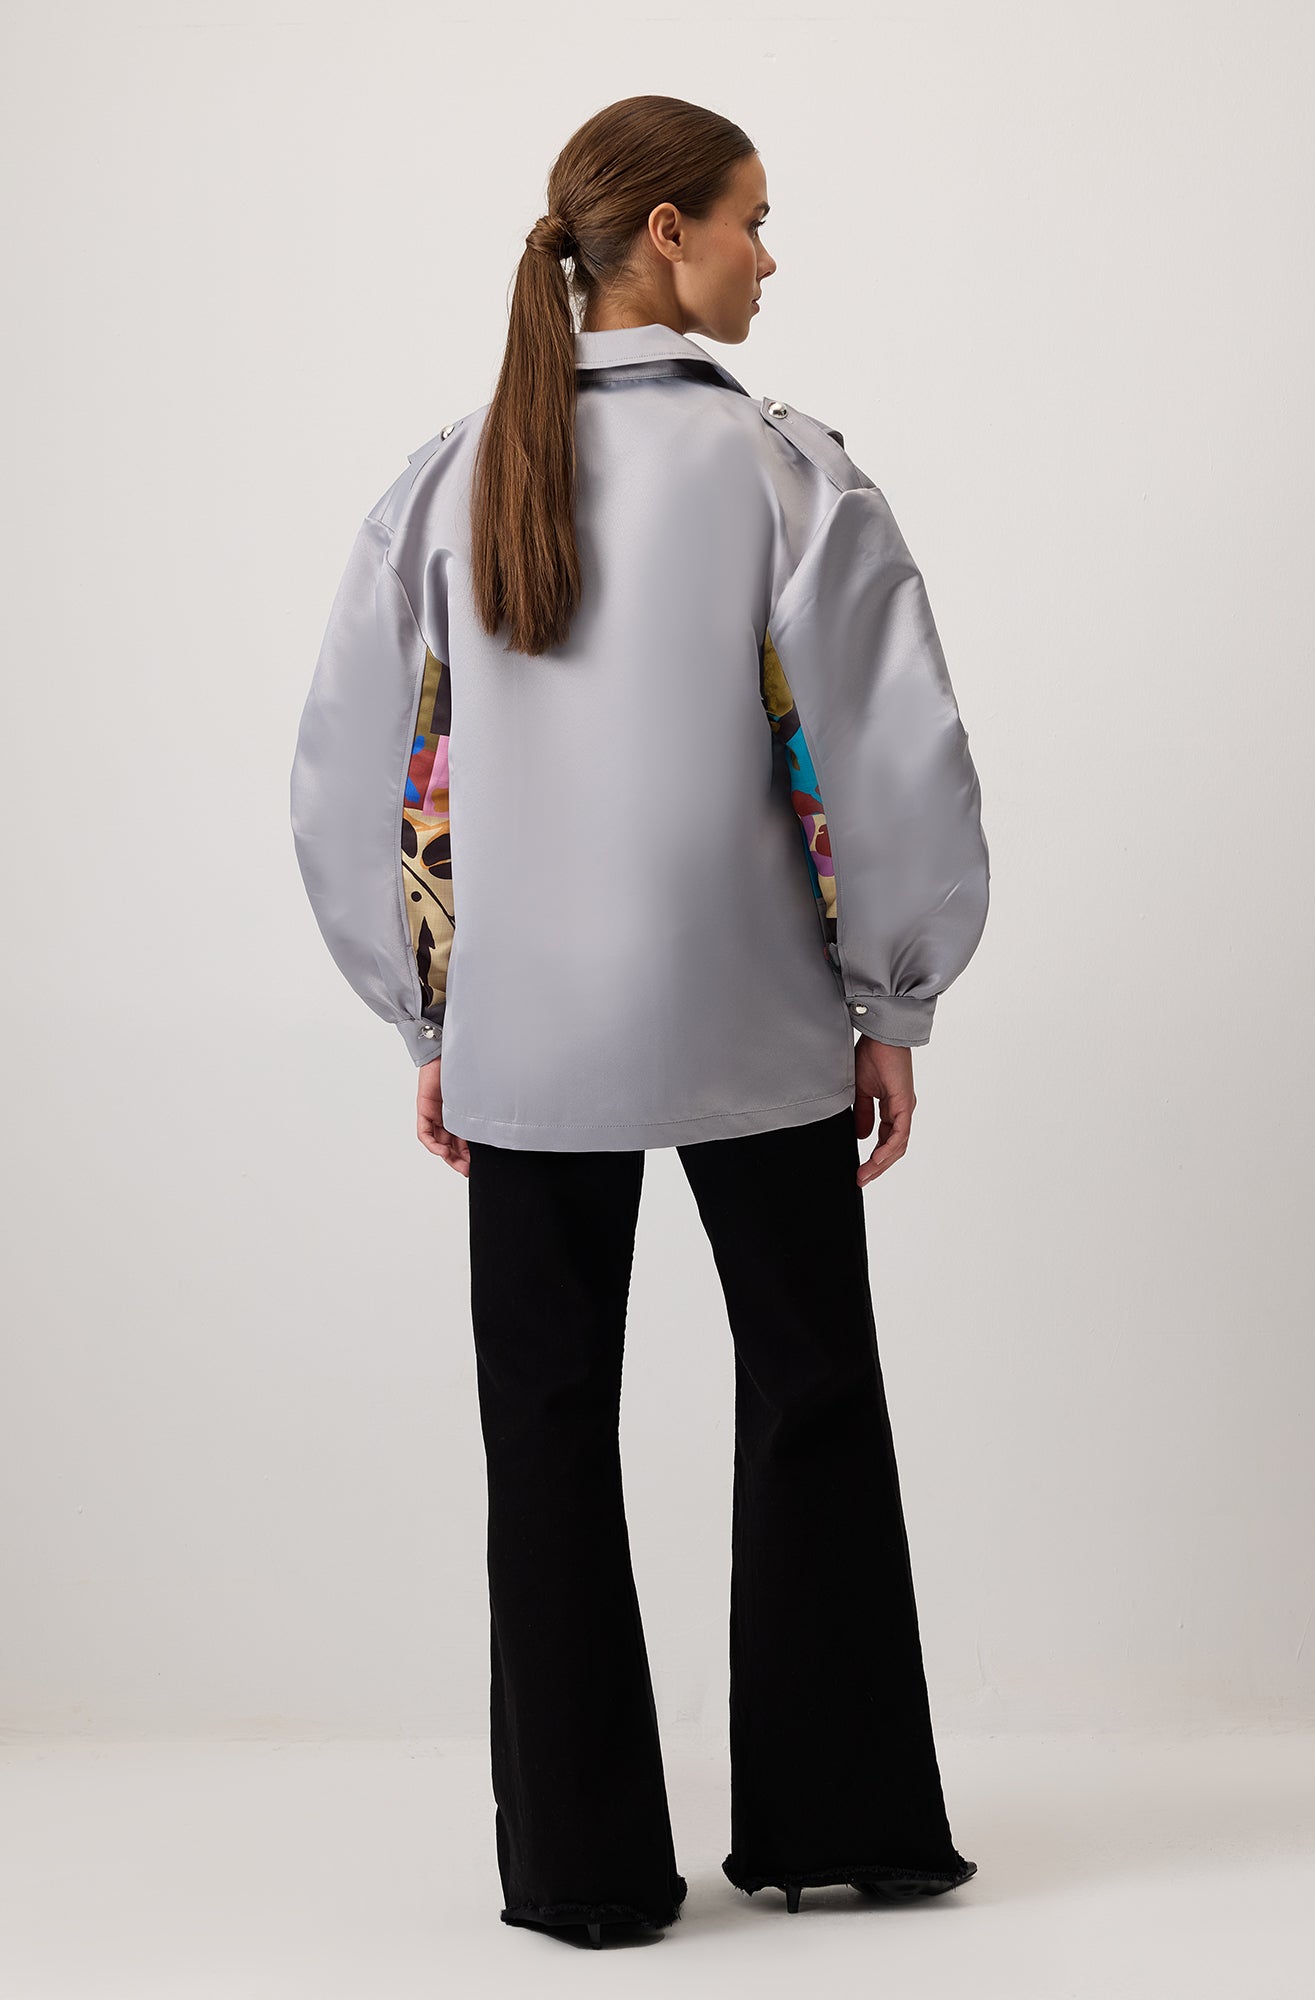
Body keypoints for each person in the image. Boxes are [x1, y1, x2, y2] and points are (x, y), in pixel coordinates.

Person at [290, 93, 990, 1949]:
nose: (769, 256)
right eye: (753, 218)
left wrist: (428, 1018)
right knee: (812, 1395)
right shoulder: (779, 470)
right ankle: (841, 1821)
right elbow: (882, 746)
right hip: (757, 1015)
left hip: (524, 1040)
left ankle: (584, 1869)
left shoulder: (449, 477)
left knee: (543, 1432)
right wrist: (890, 995)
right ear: (665, 233)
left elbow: (365, 771)